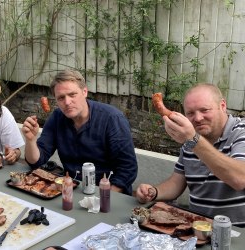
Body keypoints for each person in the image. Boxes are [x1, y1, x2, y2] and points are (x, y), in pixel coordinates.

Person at [136, 83, 245, 227]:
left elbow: (239, 178)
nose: (198, 118)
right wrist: (154, 192)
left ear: (222, 106)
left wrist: (193, 140)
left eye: (204, 110)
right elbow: (176, 183)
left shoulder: (240, 131)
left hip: (236, 233)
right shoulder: (191, 139)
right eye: (190, 113)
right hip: (197, 230)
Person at [22, 69, 138, 195]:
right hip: (70, 190)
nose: (67, 102)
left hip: (107, 193)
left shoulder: (112, 119)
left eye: (72, 95)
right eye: (61, 98)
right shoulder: (56, 118)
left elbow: (128, 168)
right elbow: (36, 161)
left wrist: (104, 197)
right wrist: (31, 141)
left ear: (84, 92)